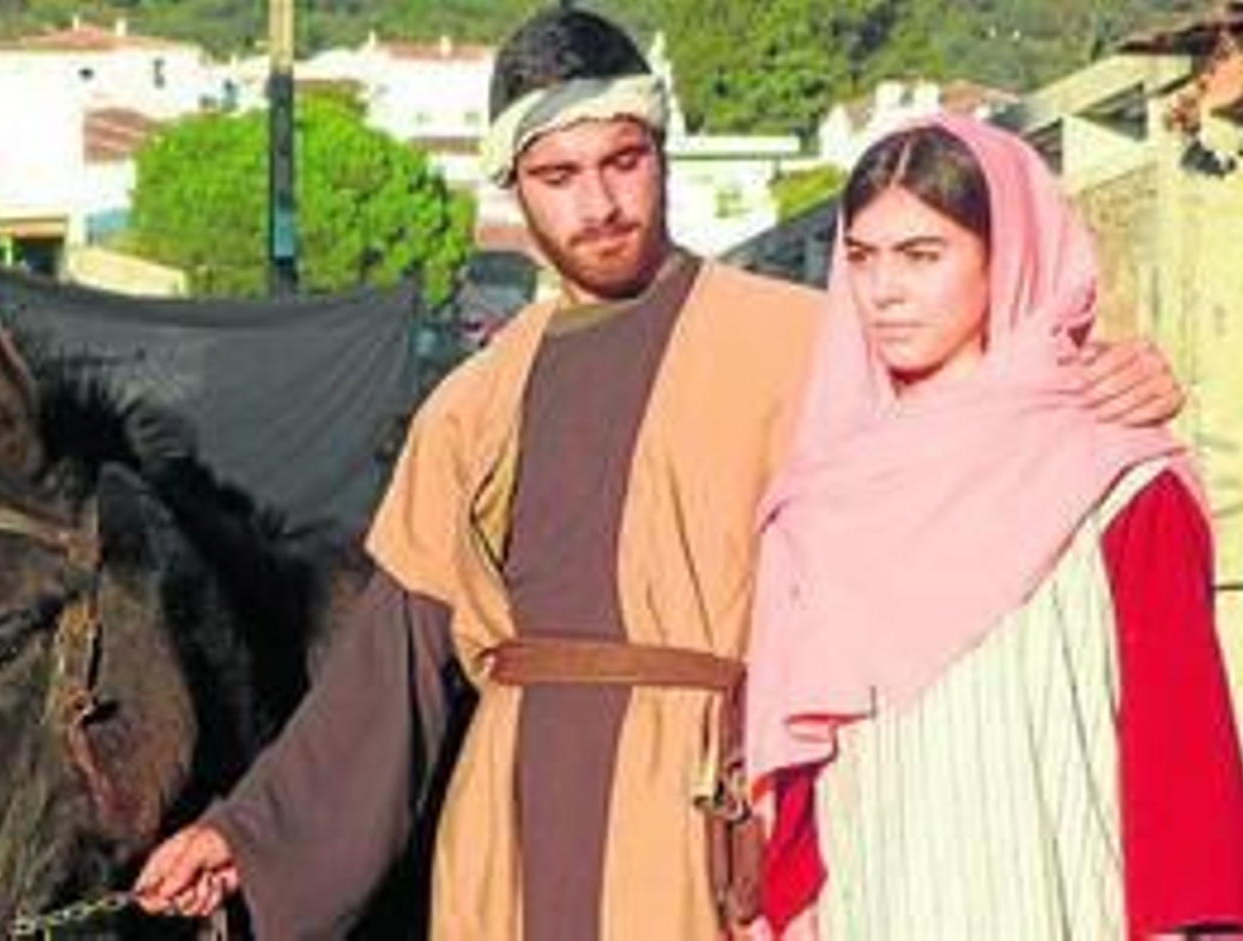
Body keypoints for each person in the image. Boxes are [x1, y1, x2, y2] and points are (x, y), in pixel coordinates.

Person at [133, 11, 1185, 939]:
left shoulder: (805, 342)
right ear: (512, 186)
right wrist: (247, 833)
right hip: (506, 833)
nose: (598, 202)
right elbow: (389, 672)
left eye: (623, 161)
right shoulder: (470, 402)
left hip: (704, 814)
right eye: (557, 176)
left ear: (661, 152)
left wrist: (1089, 388)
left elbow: (972, 428)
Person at [746, 116, 1243, 938]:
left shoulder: (1117, 475)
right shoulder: (823, 499)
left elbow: (1181, 755)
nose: (883, 290)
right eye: (862, 257)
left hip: (1063, 895)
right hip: (878, 899)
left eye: (922, 255)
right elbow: (805, 786)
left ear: (1011, 254)